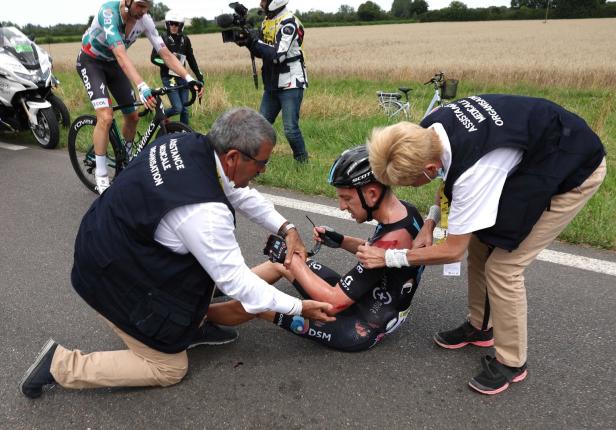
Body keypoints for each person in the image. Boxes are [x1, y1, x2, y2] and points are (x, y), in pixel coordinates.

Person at [19, 108, 334, 399]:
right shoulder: (205, 213)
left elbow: (239, 192)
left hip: (107, 240)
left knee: (201, 269)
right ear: (234, 157)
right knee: (169, 368)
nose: (263, 171)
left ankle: (190, 325)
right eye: (261, 163)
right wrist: (298, 307)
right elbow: (238, 283)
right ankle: (59, 365)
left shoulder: (190, 144)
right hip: (107, 274)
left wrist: (287, 228)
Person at [356, 94, 607, 395]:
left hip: (572, 166)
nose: (408, 189)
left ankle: (513, 362)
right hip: (532, 153)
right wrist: (430, 222)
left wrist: (389, 258)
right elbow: (447, 182)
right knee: (480, 244)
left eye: (409, 183)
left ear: (429, 169)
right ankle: (480, 326)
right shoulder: (424, 132)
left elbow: (452, 249)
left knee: (504, 266)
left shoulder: (476, 172)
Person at [206, 145, 425, 351]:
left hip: (359, 325)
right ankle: (212, 291)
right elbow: (378, 253)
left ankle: (194, 317)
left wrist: (290, 258)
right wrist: (341, 240)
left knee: (261, 301)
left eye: (346, 198)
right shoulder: (405, 211)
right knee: (282, 265)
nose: (341, 207)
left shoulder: (394, 238)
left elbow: (334, 301)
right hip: (364, 297)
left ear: (372, 194)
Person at [76, 0, 204, 194]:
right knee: (106, 117)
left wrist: (188, 78)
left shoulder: (145, 19)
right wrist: (142, 86)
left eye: (147, 7)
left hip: (114, 65)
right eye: (140, 5)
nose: (143, 11)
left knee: (133, 116)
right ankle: (101, 177)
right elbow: (120, 54)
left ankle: (126, 159)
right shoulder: (109, 13)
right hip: (91, 62)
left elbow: (166, 54)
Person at [239, 0, 309, 162]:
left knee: (290, 129)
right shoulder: (267, 22)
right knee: (261, 125)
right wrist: (248, 43)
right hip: (272, 81)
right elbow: (262, 52)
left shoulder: (289, 23)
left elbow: (278, 55)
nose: (261, 3)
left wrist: (256, 41)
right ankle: (257, 161)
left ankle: (302, 162)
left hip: (291, 81)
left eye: (264, 0)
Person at [151, 10, 204, 126]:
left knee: (185, 109)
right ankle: (159, 118)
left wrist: (200, 78)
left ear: (181, 26)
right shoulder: (162, 38)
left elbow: (191, 59)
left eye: (177, 24)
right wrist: (170, 63)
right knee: (178, 108)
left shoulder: (186, 39)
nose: (174, 26)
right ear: (167, 24)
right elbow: (153, 58)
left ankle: (185, 133)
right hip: (168, 77)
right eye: (171, 23)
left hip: (182, 76)